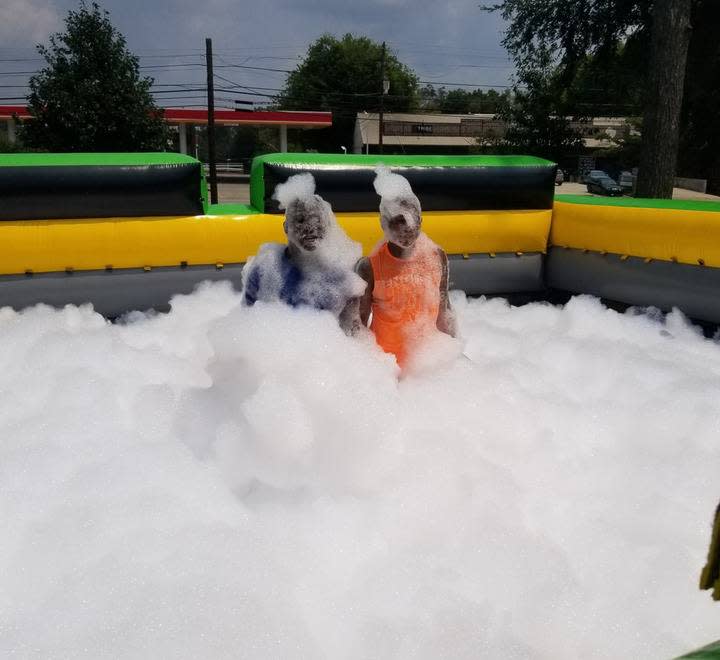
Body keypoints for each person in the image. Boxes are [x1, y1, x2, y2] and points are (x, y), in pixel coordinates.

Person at [356, 167, 457, 370]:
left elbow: (444, 312)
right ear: (383, 222)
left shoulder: (436, 256)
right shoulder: (370, 266)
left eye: (414, 221)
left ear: (421, 220)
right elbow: (359, 325)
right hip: (387, 366)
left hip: (428, 362)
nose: (407, 229)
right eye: (398, 221)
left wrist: (453, 352)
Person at [242, 173, 365, 335]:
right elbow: (244, 321)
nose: (311, 228)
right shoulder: (265, 268)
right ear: (286, 227)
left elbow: (353, 340)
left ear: (327, 227)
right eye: (300, 220)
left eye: (318, 221)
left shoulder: (344, 281)